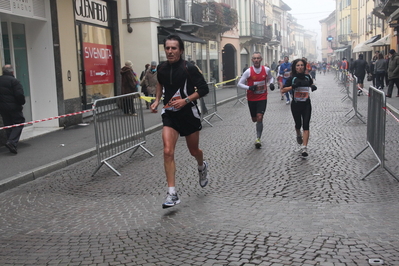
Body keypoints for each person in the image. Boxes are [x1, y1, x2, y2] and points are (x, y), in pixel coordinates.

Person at [150, 35, 209, 209]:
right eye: (167, 48)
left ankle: (201, 165)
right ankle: (172, 193)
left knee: (194, 151)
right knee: (168, 151)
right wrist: (156, 100)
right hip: (170, 114)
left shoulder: (189, 68)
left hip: (188, 114)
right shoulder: (161, 68)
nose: (170, 51)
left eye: (173, 48)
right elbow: (160, 84)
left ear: (181, 50)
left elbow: (204, 89)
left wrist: (185, 100)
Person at [237, 52, 274, 149]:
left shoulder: (266, 70)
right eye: (254, 58)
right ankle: (257, 128)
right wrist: (249, 87)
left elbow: (271, 78)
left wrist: (271, 84)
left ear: (261, 59)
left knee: (260, 117)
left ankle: (258, 138)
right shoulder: (248, 71)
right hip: (251, 98)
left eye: (258, 58)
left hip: (262, 97)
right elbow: (239, 84)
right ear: (252, 60)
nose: (256, 60)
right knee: (254, 119)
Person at [281, 58, 317, 157]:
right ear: (295, 67)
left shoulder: (307, 77)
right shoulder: (292, 78)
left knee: (306, 125)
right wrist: (293, 87)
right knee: (298, 124)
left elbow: (311, 83)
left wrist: (313, 86)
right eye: (298, 65)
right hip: (296, 105)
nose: (300, 67)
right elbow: (283, 90)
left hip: (306, 104)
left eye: (301, 65)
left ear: (304, 66)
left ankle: (304, 148)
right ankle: (298, 133)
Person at [0, 65, 25, 154]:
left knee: (8, 125)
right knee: (19, 122)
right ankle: (12, 142)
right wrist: (21, 102)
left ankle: (11, 144)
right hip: (14, 107)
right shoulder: (14, 81)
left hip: (2, 107)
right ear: (12, 72)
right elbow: (19, 95)